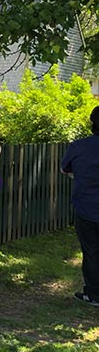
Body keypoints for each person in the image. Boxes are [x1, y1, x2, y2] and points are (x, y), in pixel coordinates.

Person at [61, 106, 99, 306]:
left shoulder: (78, 146)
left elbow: (64, 168)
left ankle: (93, 294)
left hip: (86, 207)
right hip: (87, 206)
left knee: (91, 251)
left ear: (92, 123)